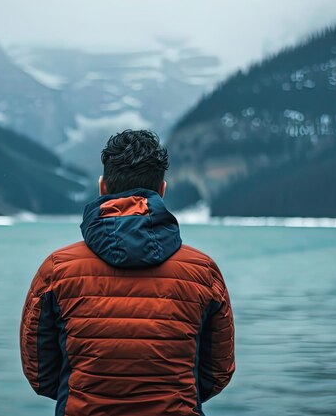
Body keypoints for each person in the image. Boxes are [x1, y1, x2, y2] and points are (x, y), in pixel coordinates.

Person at [20, 130, 235, 416]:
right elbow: (217, 372)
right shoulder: (203, 272)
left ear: (102, 187)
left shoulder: (58, 270)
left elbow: (40, 373)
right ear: (162, 190)